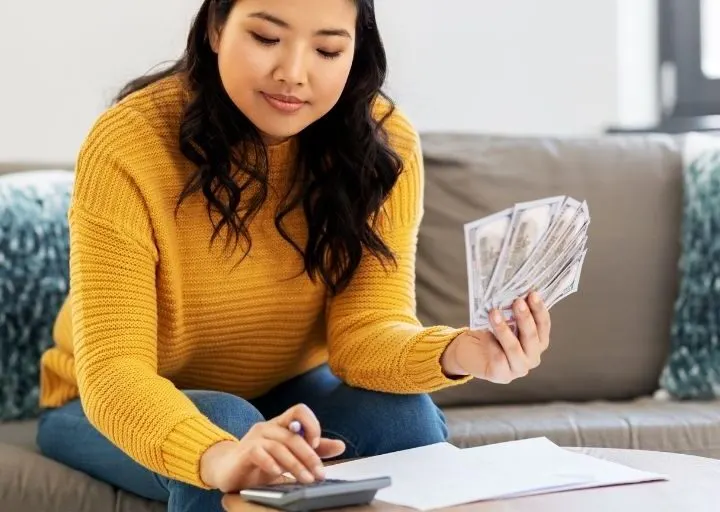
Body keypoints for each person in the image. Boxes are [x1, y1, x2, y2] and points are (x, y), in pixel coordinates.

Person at [35, 0, 552, 511]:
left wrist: (465, 352)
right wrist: (218, 456)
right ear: (216, 27)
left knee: (405, 418)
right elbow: (115, 372)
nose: (294, 73)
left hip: (291, 389)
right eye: (265, 38)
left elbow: (365, 335)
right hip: (105, 402)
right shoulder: (128, 144)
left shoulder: (382, 145)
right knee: (228, 423)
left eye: (327, 49)